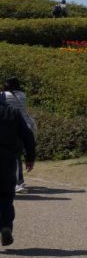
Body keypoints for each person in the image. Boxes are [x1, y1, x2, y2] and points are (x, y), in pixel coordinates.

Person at [0, 94, 35, 246]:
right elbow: (27, 135)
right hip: (7, 159)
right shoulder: (13, 112)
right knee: (6, 195)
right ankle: (6, 225)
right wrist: (30, 157)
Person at [2, 78, 36, 193]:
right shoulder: (22, 95)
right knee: (17, 155)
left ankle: (17, 182)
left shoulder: (4, 95)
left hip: (11, 127)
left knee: (14, 157)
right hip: (25, 125)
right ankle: (19, 182)